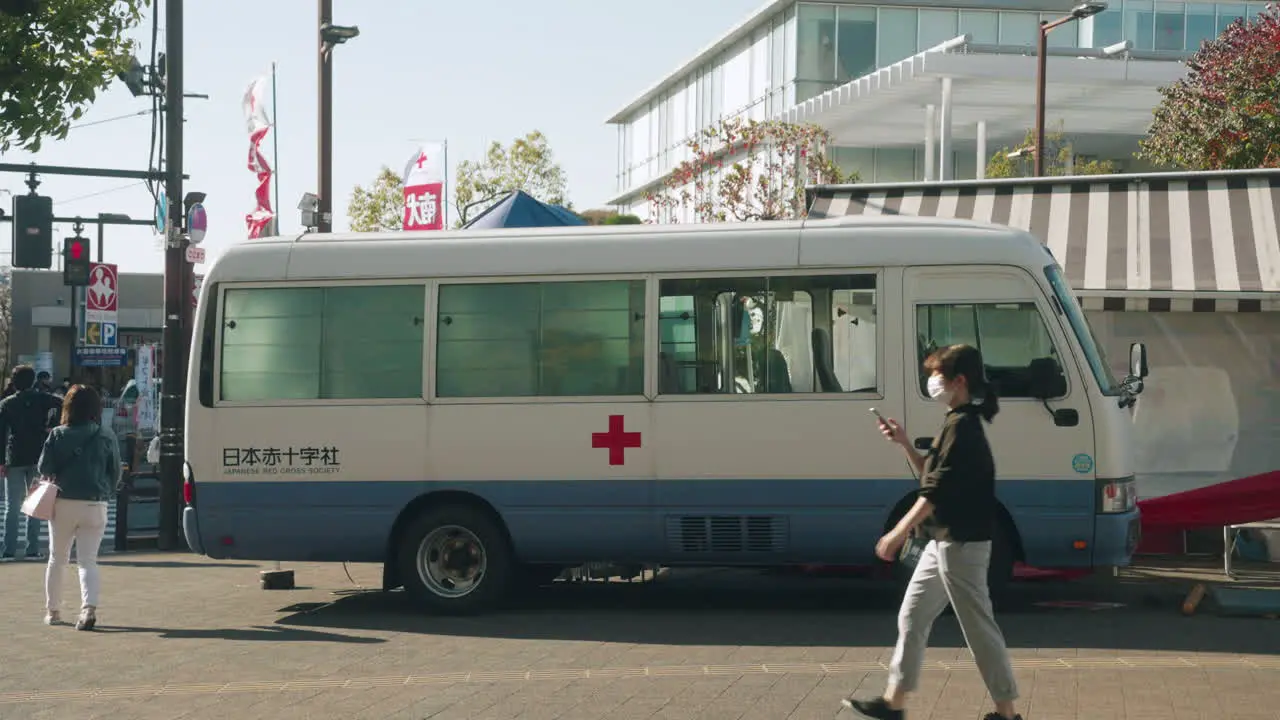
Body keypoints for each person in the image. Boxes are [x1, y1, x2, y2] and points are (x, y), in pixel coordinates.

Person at [843, 344, 1021, 720]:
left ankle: (1006, 712)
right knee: (912, 616)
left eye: (937, 374)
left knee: (978, 627)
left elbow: (935, 492)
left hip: (962, 543)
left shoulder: (963, 426)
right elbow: (932, 473)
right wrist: (905, 443)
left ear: (959, 382)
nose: (932, 381)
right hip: (943, 541)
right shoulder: (956, 421)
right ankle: (894, 702)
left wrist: (896, 533)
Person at [37, 384, 121, 630]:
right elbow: (114, 471)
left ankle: (53, 611)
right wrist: (106, 489)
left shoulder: (58, 434)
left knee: (57, 558)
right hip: (95, 503)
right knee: (88, 561)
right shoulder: (106, 435)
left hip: (63, 502)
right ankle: (88, 609)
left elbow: (44, 468)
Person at [0, 365, 62, 561]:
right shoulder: (42, 398)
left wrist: (1, 461)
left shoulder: (7, 403)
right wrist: (52, 426)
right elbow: (61, 403)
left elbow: (1, 434)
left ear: (14, 382)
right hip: (38, 456)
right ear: (33, 380)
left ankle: (8, 550)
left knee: (12, 505)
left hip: (14, 456)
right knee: (35, 503)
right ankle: (32, 549)